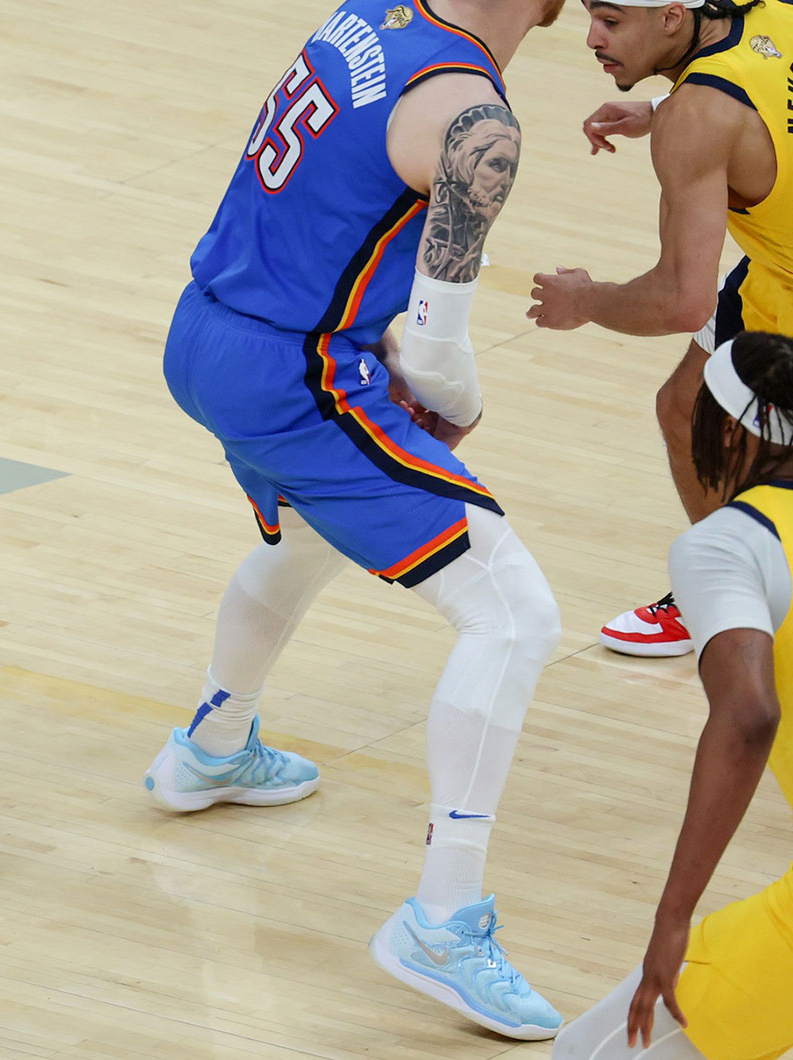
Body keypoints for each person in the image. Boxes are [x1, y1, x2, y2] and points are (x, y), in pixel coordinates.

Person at [146, 0, 568, 1039]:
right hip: (297, 371)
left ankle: (211, 744)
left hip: (206, 331)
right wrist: (453, 412)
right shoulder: (476, 120)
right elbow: (435, 358)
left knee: (319, 527)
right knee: (514, 616)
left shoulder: (371, 12)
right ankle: (442, 921)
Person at [551, 330, 793, 1059]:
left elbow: (748, 715)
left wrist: (674, 917)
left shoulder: (726, 543)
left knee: (591, 1055)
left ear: (728, 430)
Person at [526, 0, 793, 657]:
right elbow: (777, 106)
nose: (591, 38)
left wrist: (587, 301)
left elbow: (680, 301)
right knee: (683, 410)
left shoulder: (697, 119)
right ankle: (722, 591)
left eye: (610, 20)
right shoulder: (780, 10)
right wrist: (665, 113)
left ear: (670, 17)